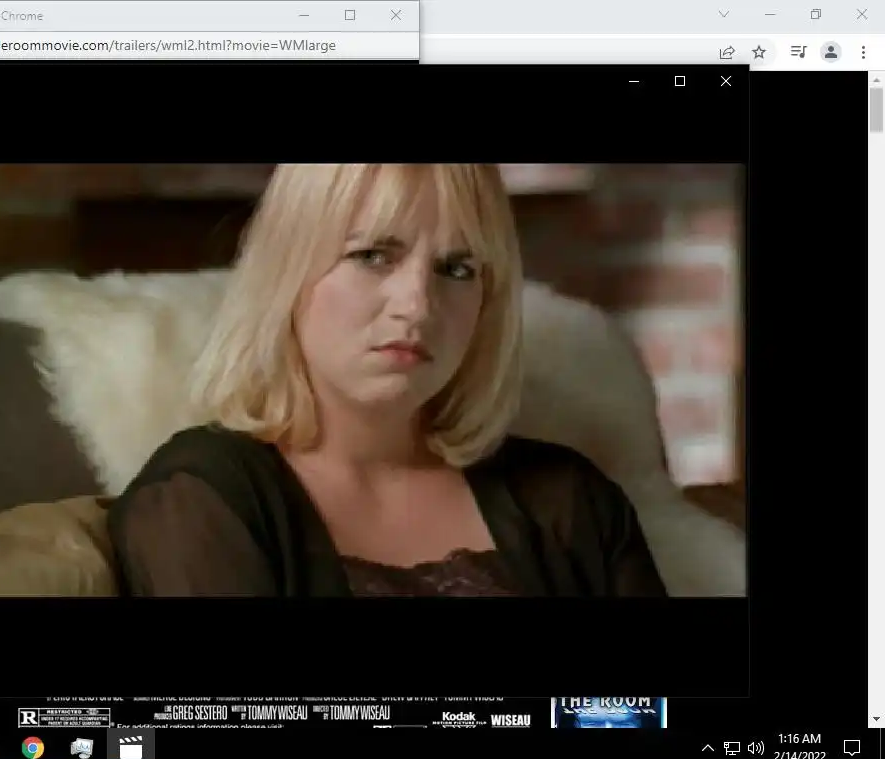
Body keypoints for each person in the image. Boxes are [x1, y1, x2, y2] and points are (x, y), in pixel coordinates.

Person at [106, 163, 668, 598]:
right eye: (373, 255)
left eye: (456, 269)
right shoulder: (202, 498)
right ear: (288, 272)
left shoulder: (571, 501)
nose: (417, 305)